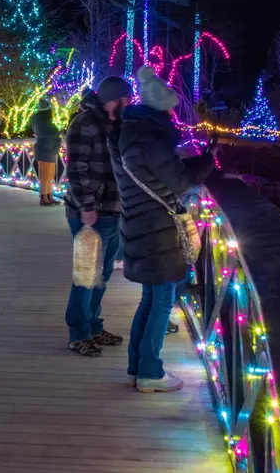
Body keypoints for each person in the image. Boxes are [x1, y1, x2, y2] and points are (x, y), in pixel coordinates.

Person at [110, 67, 214, 392]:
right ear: (161, 110)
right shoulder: (151, 139)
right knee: (162, 301)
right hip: (157, 229)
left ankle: (136, 367)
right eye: (170, 109)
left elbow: (158, 175)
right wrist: (206, 162)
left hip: (138, 225)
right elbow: (179, 182)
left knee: (150, 299)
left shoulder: (129, 131)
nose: (173, 115)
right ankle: (150, 373)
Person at [63, 76, 133, 357]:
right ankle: (78, 332)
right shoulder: (85, 124)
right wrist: (88, 206)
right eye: (127, 99)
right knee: (86, 275)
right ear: (113, 100)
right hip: (90, 211)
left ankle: (93, 325)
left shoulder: (115, 125)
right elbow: (76, 169)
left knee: (101, 274)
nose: (131, 103)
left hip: (114, 209)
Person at [31, 97, 62, 206]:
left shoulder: (41, 121)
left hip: (49, 150)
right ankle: (44, 196)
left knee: (50, 174)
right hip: (45, 149)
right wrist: (57, 134)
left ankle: (49, 195)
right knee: (45, 174)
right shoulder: (41, 122)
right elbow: (47, 133)